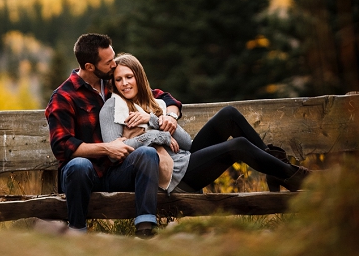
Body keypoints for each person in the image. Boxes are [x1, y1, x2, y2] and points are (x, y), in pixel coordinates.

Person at [102, 53, 311, 195]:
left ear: (139, 77)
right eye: (119, 80)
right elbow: (118, 150)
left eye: (129, 77)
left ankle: (278, 171)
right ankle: (295, 176)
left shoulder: (154, 103)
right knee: (238, 146)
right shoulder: (118, 108)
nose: (125, 83)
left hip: (186, 159)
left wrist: (156, 119)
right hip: (176, 176)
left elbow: (186, 143)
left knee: (229, 114)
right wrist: (158, 133)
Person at [45, 33, 183, 238]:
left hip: (117, 170)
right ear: (90, 66)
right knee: (79, 165)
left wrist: (171, 115)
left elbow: (160, 96)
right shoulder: (64, 96)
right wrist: (107, 148)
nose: (114, 65)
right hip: (84, 176)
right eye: (109, 62)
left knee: (147, 154)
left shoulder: (113, 84)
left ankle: (145, 230)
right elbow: (62, 146)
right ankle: (77, 233)